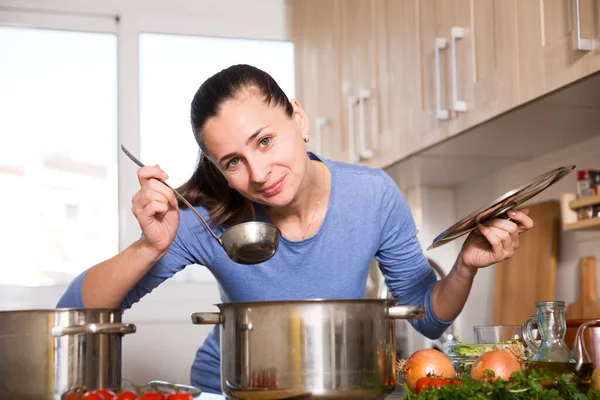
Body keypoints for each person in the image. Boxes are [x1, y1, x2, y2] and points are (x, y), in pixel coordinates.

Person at [57, 64, 534, 394]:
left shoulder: (372, 195)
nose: (260, 172)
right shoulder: (208, 219)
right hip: (230, 388)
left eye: (265, 140)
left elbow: (426, 318)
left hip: (335, 386)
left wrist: (465, 267)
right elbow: (74, 310)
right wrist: (148, 245)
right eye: (234, 162)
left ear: (298, 119)